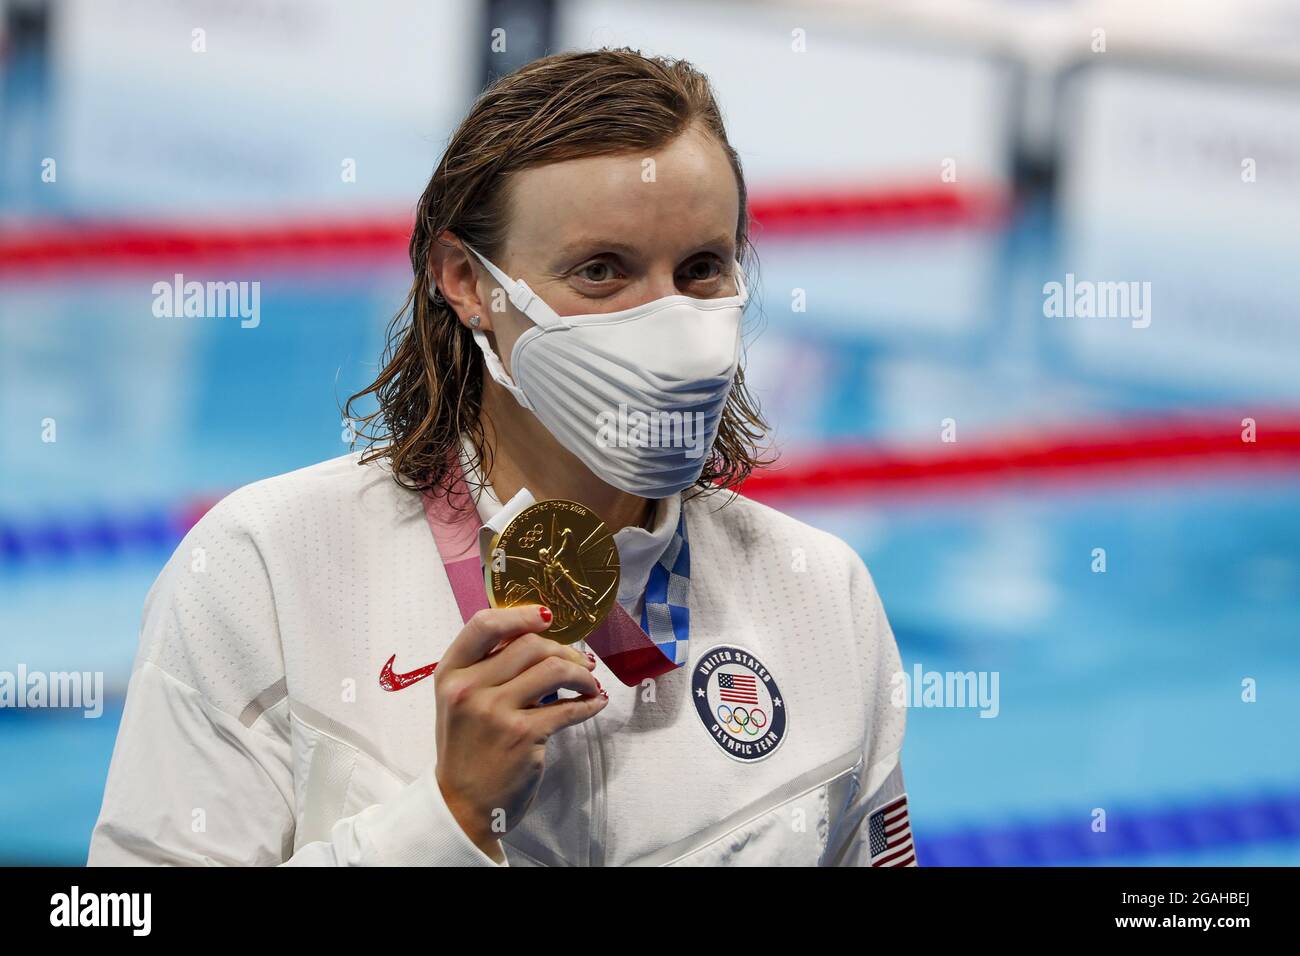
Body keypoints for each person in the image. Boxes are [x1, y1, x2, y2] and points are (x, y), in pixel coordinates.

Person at [88, 47, 913, 867]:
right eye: (602, 271)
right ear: (467, 282)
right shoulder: (266, 570)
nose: (673, 331)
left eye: (701, 270)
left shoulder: (821, 600)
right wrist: (445, 820)